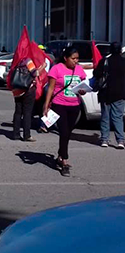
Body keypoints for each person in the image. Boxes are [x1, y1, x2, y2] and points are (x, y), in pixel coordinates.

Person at [43, 47, 87, 177]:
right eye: (73, 58)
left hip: (75, 105)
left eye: (77, 58)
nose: (76, 61)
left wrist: (83, 91)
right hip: (59, 104)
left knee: (67, 133)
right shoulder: (57, 69)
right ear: (65, 58)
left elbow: (83, 84)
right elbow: (50, 89)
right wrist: (46, 105)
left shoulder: (79, 70)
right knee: (64, 131)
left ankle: (60, 155)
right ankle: (64, 161)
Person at [93, 42, 125, 149]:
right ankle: (120, 140)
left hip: (105, 92)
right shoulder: (123, 61)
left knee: (105, 116)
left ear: (110, 50)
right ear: (120, 50)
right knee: (118, 117)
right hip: (120, 93)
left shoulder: (105, 61)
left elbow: (96, 74)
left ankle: (104, 139)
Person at [11, 58, 44, 141]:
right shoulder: (28, 61)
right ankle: (27, 135)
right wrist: (42, 67)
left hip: (17, 89)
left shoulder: (16, 61)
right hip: (27, 89)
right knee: (27, 113)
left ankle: (16, 134)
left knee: (18, 112)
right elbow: (34, 73)